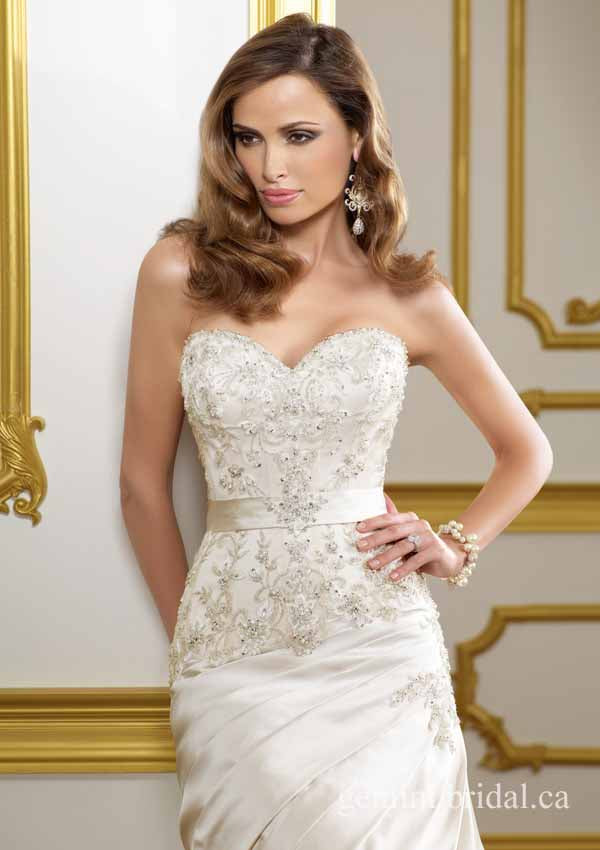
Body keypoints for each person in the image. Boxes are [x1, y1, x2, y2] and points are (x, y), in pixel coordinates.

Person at [119, 13, 553, 849]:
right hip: (230, 660)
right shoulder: (180, 272)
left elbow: (527, 450)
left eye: (299, 136)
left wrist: (455, 544)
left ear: (356, 138)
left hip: (379, 651)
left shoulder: (409, 295)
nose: (270, 167)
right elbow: (142, 486)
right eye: (247, 138)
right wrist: (193, 646)